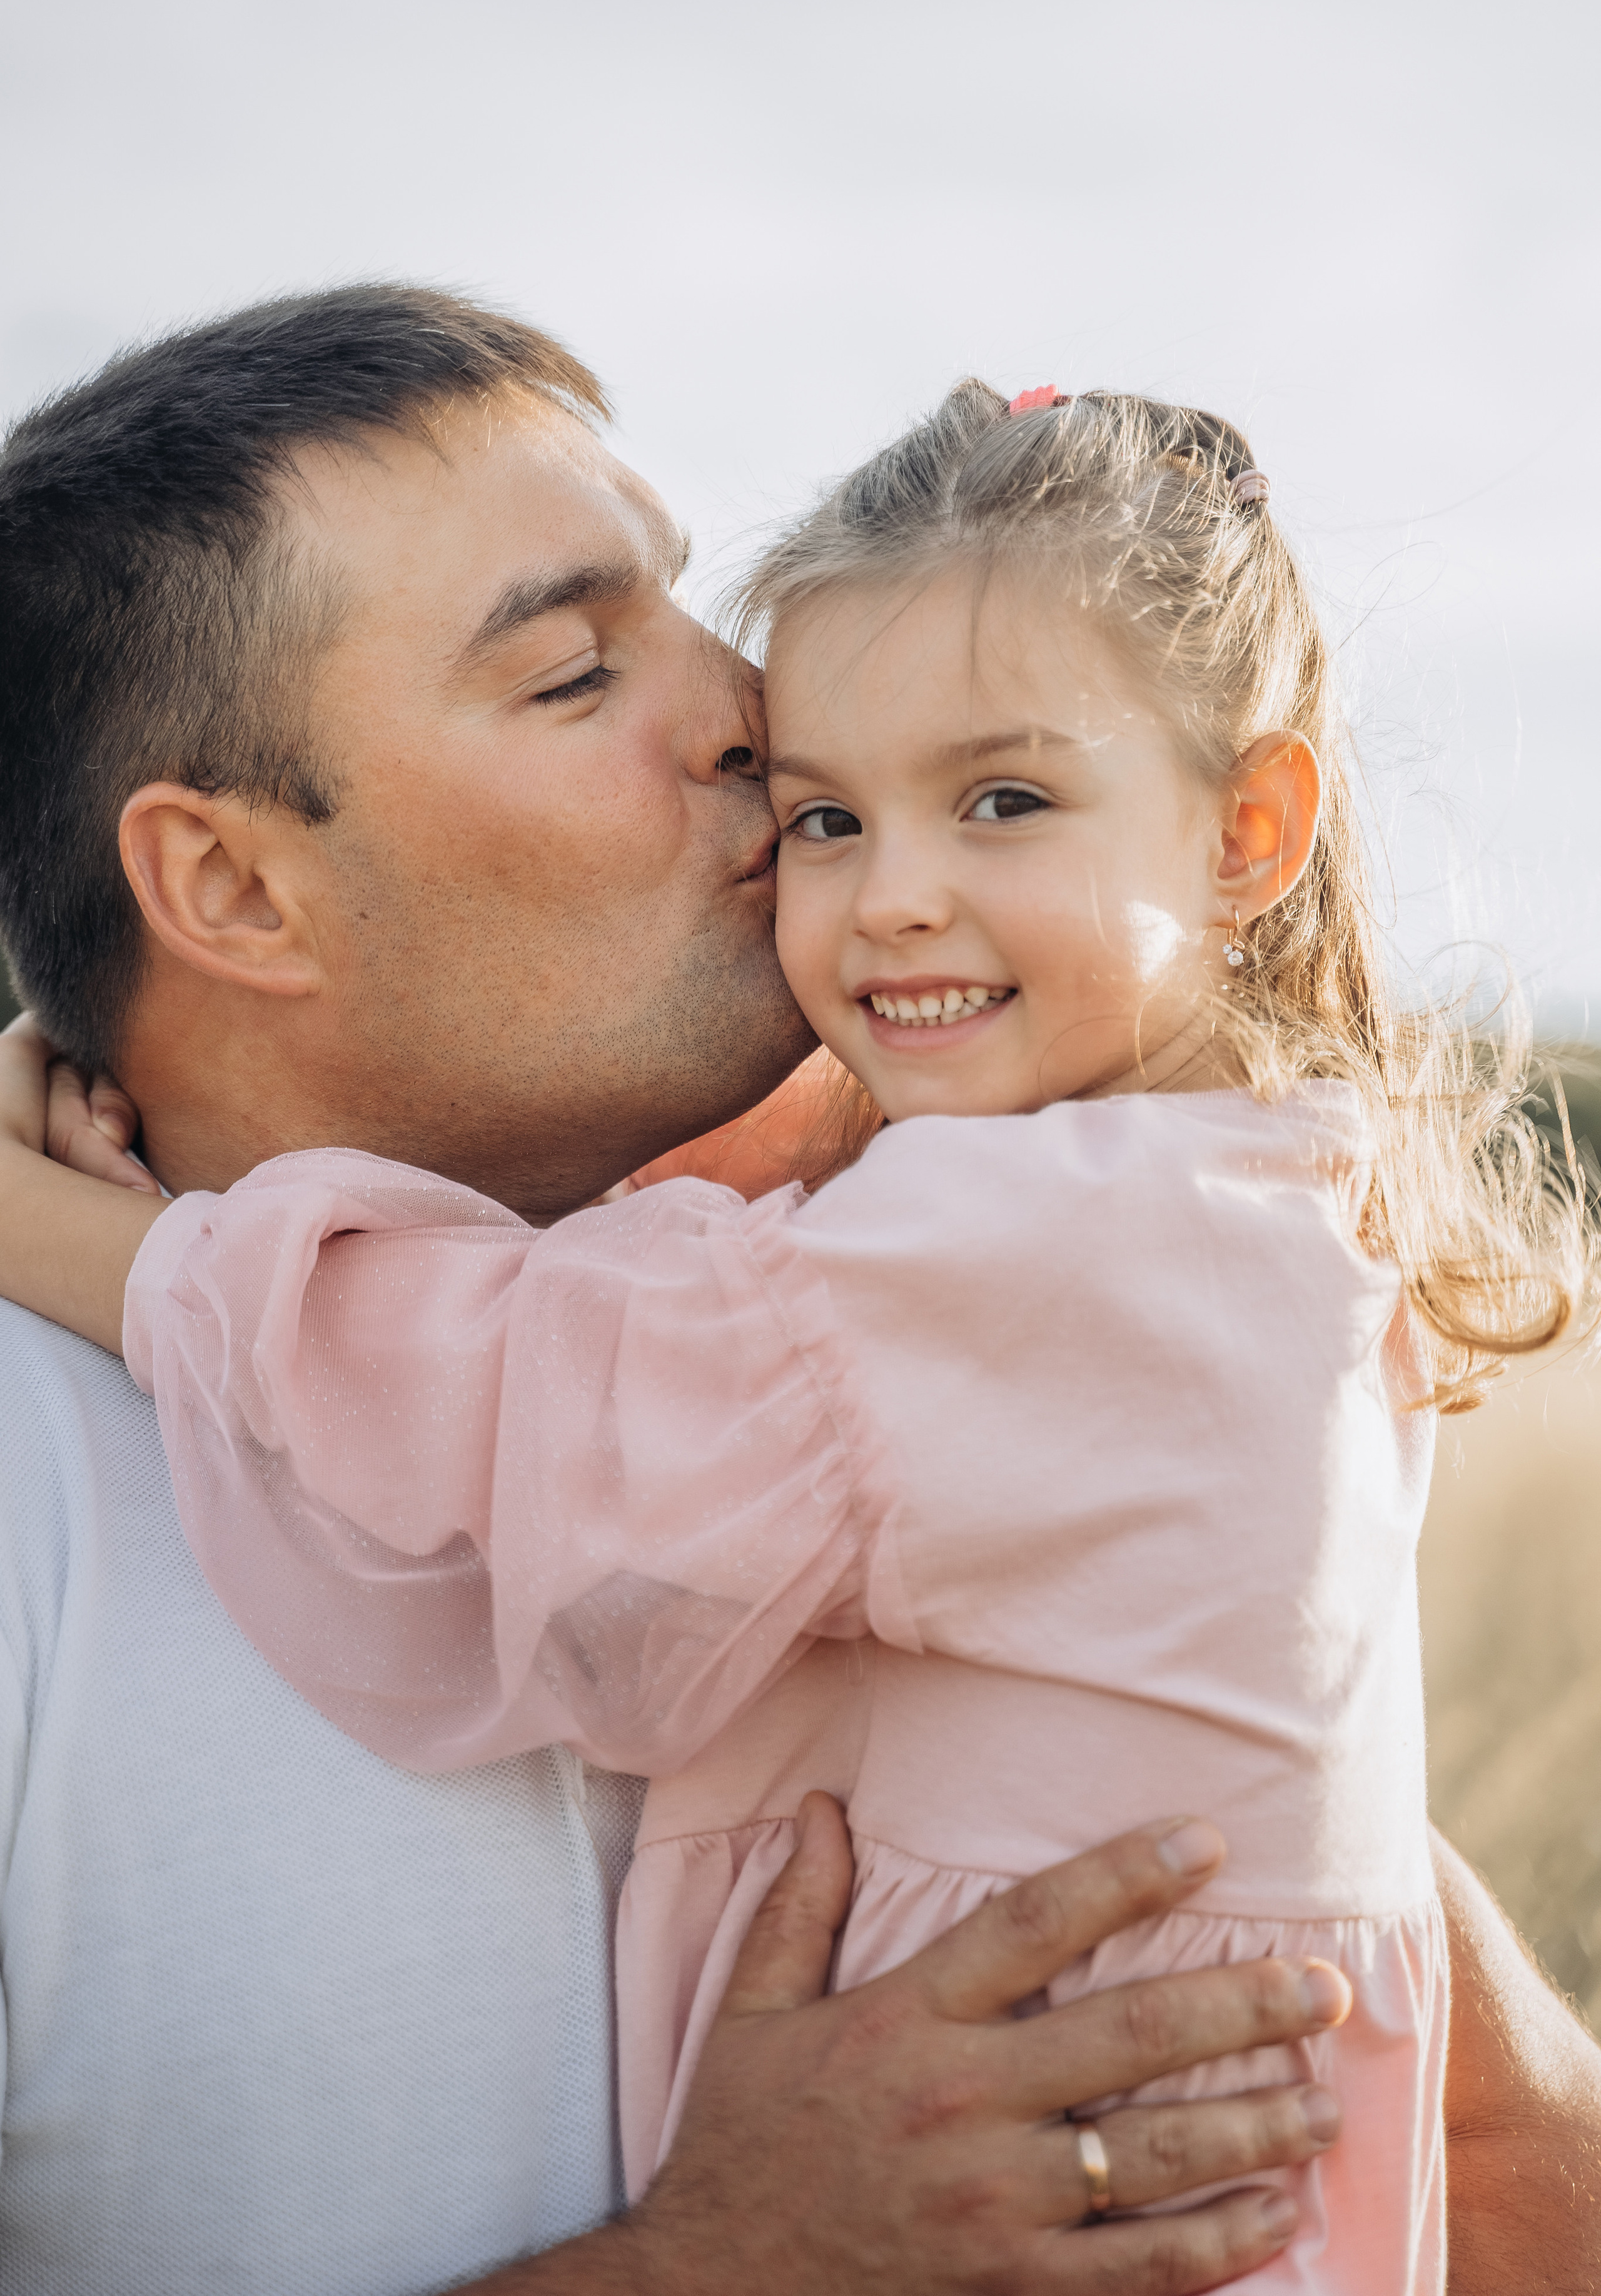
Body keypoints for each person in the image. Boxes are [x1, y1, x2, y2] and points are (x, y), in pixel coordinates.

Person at [0, 290, 1595, 2296]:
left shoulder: (921, 1313)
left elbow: (1522, 2169)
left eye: (691, 606)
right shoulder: (42, 1503)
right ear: (232, 887)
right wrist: (720, 2265)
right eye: (580, 671)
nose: (750, 704)